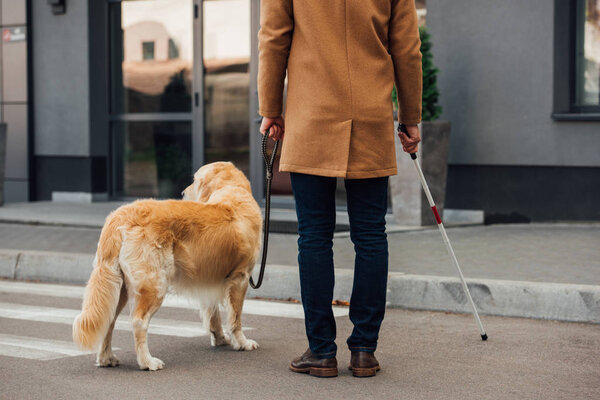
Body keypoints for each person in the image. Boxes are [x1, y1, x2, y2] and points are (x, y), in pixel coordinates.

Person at [257, 0, 422, 378]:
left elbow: (273, 39)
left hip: (312, 113)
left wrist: (270, 107)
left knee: (314, 235)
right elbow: (407, 47)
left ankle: (321, 352)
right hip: (370, 113)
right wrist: (410, 116)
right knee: (370, 234)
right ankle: (364, 350)